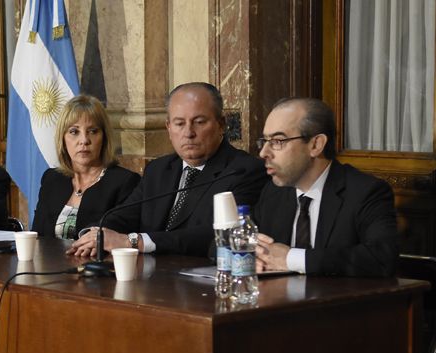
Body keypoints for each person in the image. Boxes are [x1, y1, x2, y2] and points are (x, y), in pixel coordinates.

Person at [68, 82, 267, 257]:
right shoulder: (159, 169)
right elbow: (123, 215)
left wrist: (135, 241)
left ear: (221, 124)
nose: (188, 133)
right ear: (168, 128)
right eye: (179, 123)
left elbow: (217, 235)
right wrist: (95, 234)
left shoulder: (244, 171)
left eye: (199, 122)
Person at [254, 97, 398, 277]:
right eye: (264, 141)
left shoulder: (365, 192)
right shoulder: (274, 192)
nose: (263, 153)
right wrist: (251, 252)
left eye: (278, 141)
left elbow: (382, 258)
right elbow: (221, 244)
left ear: (315, 145)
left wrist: (291, 258)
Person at [32, 95, 140, 239]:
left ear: (104, 137)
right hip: (50, 260)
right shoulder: (52, 179)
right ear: (63, 139)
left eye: (93, 131)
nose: (84, 140)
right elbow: (37, 235)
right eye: (74, 132)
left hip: (99, 261)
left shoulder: (124, 182)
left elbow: (119, 239)